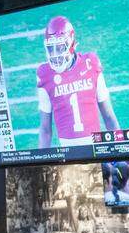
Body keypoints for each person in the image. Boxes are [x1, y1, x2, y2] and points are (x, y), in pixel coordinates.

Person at [37, 16, 120, 148]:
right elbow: (45, 130)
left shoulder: (90, 63)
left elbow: (109, 117)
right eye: (51, 48)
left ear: (71, 44)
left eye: (59, 47)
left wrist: (122, 151)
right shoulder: (44, 73)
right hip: (69, 155)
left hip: (96, 150)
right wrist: (41, 165)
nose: (55, 54)